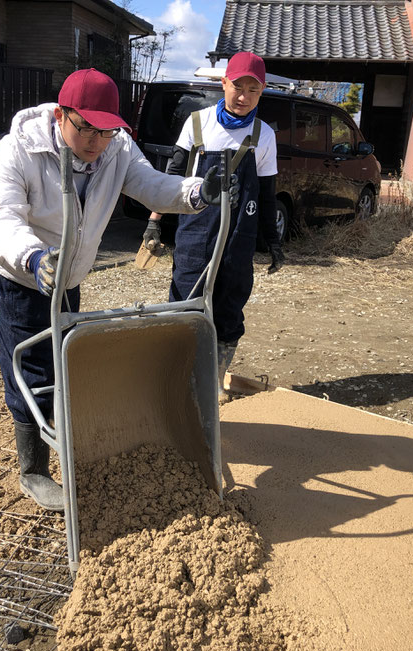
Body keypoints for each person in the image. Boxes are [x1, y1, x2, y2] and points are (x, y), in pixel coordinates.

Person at [0, 68, 236, 511]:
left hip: (69, 276)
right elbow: (3, 216)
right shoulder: (19, 150)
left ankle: (65, 444)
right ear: (62, 115)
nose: (95, 142)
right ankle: (34, 470)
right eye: (85, 129)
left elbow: (152, 186)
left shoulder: (116, 148)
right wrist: (33, 257)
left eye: (105, 131)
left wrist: (198, 192)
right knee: (32, 370)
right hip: (22, 273)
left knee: (64, 361)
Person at [144, 51, 285, 402]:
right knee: (185, 303)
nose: (243, 96)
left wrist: (275, 241)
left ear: (262, 91)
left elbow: (267, 194)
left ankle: (214, 380)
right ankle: (177, 379)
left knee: (228, 306)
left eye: (253, 90)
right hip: (194, 233)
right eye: (238, 86)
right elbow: (171, 179)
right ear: (224, 83)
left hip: (239, 236)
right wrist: (153, 224)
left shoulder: (263, 135)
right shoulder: (197, 124)